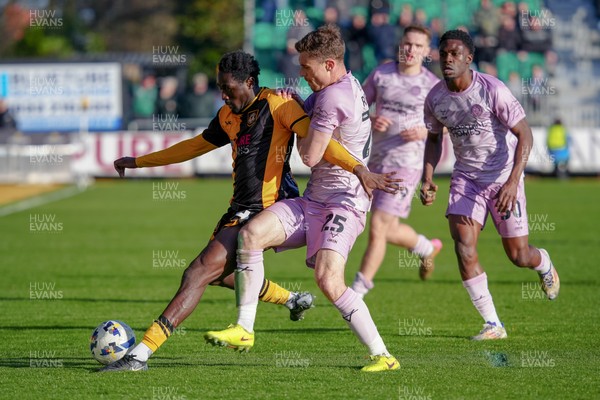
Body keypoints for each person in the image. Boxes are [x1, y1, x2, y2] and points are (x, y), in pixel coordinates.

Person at [99, 50, 397, 372]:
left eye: (228, 88)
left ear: (249, 82)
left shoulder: (277, 105)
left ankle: (139, 355)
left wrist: (358, 169)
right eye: (220, 88)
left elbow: (318, 139)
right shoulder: (227, 116)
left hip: (269, 206)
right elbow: (192, 147)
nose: (224, 95)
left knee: (198, 272)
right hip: (239, 209)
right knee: (223, 275)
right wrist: (140, 161)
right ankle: (291, 299)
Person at [204, 25, 402, 372]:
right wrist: (296, 103)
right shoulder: (343, 85)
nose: (301, 73)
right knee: (251, 235)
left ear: (328, 64)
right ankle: (244, 329)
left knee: (328, 279)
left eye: (307, 68)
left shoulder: (332, 98)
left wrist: (291, 112)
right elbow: (307, 114)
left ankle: (383, 356)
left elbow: (310, 155)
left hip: (344, 202)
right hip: (314, 200)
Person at [420, 29, 560, 341]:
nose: (448, 59)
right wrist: (427, 177)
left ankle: (544, 263)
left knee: (518, 255)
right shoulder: (435, 98)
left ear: (469, 58)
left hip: (502, 178)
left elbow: (526, 134)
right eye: (443, 53)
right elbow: (433, 138)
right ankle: (492, 324)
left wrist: (513, 181)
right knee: (464, 246)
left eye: (455, 54)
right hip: (466, 180)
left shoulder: (491, 89)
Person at [351, 26, 443, 299]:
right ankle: (424, 247)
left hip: (407, 164)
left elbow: (449, 123)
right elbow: (356, 109)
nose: (411, 49)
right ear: (399, 45)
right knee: (387, 229)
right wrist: (369, 118)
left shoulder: (432, 85)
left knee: (378, 225)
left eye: (417, 46)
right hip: (374, 162)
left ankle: (358, 290)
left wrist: (427, 130)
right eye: (407, 44)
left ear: (427, 52)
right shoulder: (381, 74)